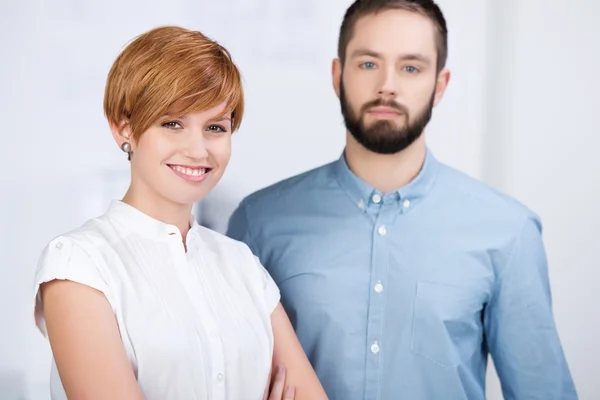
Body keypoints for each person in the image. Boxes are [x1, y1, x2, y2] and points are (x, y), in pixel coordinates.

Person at [226, 1, 578, 399]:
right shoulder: (259, 223)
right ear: (338, 76)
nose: (387, 85)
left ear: (439, 86)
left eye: (410, 67)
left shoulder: (508, 232)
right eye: (368, 64)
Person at [32, 26, 328, 400]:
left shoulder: (241, 265)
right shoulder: (80, 265)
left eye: (215, 127)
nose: (198, 150)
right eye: (172, 123)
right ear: (124, 127)